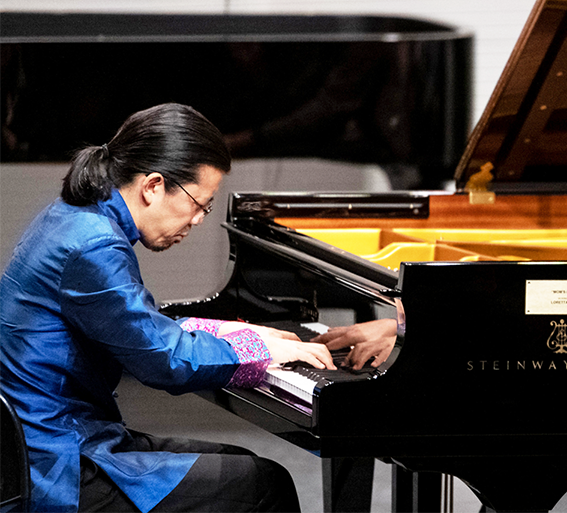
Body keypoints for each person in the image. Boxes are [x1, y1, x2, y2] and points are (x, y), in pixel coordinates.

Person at [0, 103, 335, 513]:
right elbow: (163, 360)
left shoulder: (76, 217)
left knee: (240, 464)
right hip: (56, 464)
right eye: (199, 203)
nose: (197, 220)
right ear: (154, 185)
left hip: (53, 438)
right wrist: (258, 350)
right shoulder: (94, 245)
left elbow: (138, 326)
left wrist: (240, 333)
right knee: (263, 485)